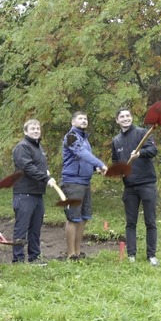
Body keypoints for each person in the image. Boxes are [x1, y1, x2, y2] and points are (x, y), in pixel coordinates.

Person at [112, 107, 159, 266]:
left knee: (150, 221)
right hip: (129, 187)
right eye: (122, 117)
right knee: (130, 222)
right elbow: (115, 161)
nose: (125, 119)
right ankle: (131, 255)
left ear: (131, 118)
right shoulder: (116, 140)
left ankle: (151, 256)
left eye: (127, 116)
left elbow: (153, 150)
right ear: (117, 120)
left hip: (147, 184)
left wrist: (140, 154)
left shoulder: (142, 133)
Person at [61, 111, 107, 260]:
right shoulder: (71, 137)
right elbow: (81, 153)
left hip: (85, 182)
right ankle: (70, 254)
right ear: (73, 122)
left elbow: (84, 160)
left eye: (85, 118)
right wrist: (100, 163)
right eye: (80, 118)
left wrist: (95, 168)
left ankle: (78, 252)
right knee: (73, 218)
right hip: (72, 182)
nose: (83, 121)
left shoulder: (84, 139)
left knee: (83, 217)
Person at [11, 119, 55, 263]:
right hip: (24, 193)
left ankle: (34, 257)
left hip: (37, 194)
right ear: (25, 131)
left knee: (35, 228)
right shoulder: (22, 147)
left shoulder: (39, 147)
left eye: (37, 128)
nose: (36, 130)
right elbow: (28, 167)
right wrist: (46, 178)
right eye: (32, 128)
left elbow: (37, 166)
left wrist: (45, 172)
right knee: (21, 228)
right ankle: (17, 260)